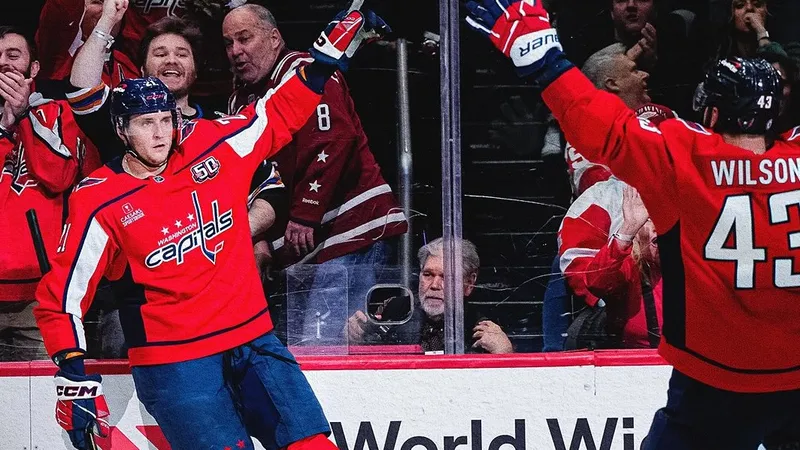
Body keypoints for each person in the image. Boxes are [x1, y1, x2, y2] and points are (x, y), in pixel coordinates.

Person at [33, 1, 388, 448]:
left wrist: (320, 65)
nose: (162, 134)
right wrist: (72, 372)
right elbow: (63, 293)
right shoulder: (100, 196)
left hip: (254, 340)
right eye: (147, 124)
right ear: (122, 130)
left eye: (166, 121)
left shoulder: (211, 144)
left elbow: (275, 115)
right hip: (175, 362)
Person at [466, 0, 800, 447]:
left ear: (712, 114)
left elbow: (602, 124)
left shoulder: (683, 159)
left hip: (710, 384)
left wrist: (543, 58)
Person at [223, 4, 408, 345]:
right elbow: (249, 174)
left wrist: (305, 213)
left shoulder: (306, 72)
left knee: (324, 349)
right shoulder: (241, 101)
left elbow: (334, 139)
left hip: (350, 232)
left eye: (245, 39)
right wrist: (258, 237)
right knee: (307, 348)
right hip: (305, 249)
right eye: (229, 43)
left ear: (274, 38)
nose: (236, 51)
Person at [0, 26, 100, 361]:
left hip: (39, 298)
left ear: (34, 69)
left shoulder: (60, 114)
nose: (3, 65)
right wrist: (4, 129)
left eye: (13, 56)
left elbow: (58, 175)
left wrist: (26, 115)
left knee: (44, 404)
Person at [346, 238, 513, 354]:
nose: (434, 285)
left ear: (469, 283)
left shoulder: (483, 326)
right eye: (428, 274)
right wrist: (353, 337)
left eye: (446, 277)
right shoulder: (395, 310)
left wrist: (505, 353)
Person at [584, 185, 662, 349]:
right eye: (649, 218)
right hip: (631, 362)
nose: (658, 226)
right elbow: (595, 282)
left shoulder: (694, 265)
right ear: (638, 235)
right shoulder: (630, 266)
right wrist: (628, 230)